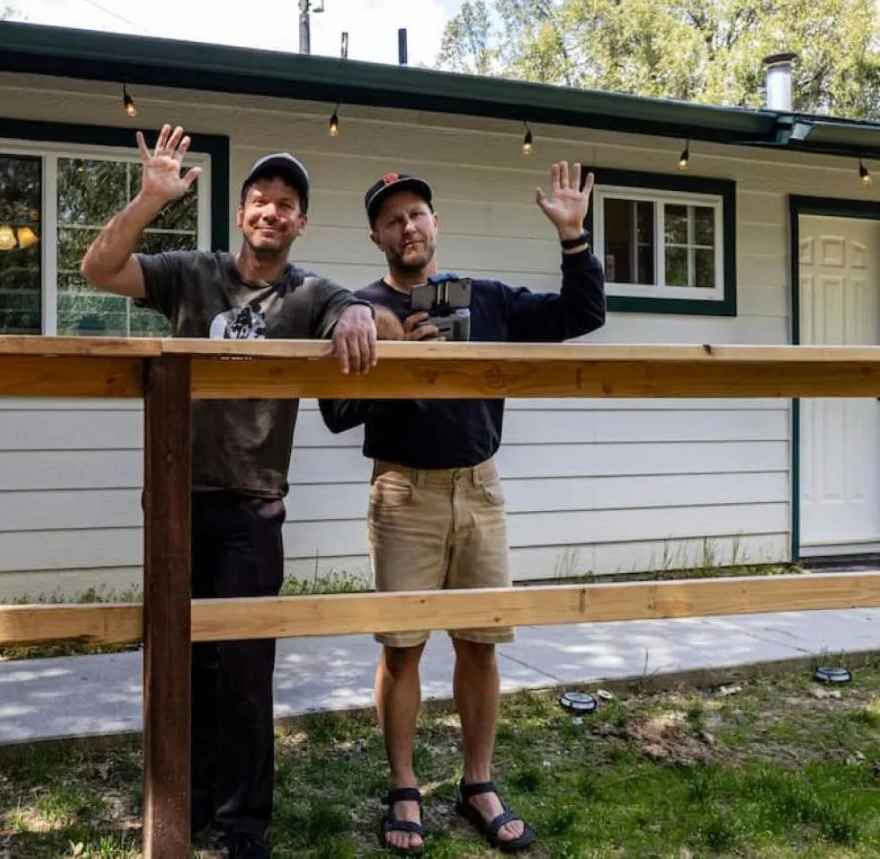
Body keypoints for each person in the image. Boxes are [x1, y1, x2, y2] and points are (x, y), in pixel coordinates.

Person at [80, 123, 380, 858]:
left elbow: (353, 309)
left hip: (253, 505)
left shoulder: (309, 292)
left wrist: (358, 314)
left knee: (246, 670)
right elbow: (99, 268)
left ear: (300, 223)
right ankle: (182, 803)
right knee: (178, 663)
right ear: (241, 212)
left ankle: (244, 825)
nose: (272, 211)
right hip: (176, 500)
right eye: (260, 199)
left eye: (286, 204)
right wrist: (151, 199)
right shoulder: (192, 273)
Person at [318, 162, 606, 854]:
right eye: (392, 220)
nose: (407, 227)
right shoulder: (359, 309)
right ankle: (403, 787)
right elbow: (335, 412)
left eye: (416, 214)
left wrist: (573, 238)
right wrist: (393, 364)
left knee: (480, 643)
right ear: (376, 237)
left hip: (480, 489)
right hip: (403, 493)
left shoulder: (488, 299)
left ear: (435, 222)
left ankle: (478, 783)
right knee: (402, 648)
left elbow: (581, 315)